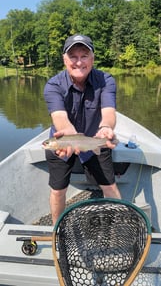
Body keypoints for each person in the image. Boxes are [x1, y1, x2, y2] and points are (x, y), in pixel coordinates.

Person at [44, 34, 121, 225]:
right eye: (73, 56)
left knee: (110, 187)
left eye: (84, 55)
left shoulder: (106, 80)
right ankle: (57, 228)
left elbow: (109, 112)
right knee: (57, 190)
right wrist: (69, 136)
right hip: (62, 142)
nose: (79, 62)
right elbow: (60, 118)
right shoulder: (53, 85)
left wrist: (105, 128)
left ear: (92, 58)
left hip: (94, 139)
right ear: (64, 60)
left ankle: (119, 223)